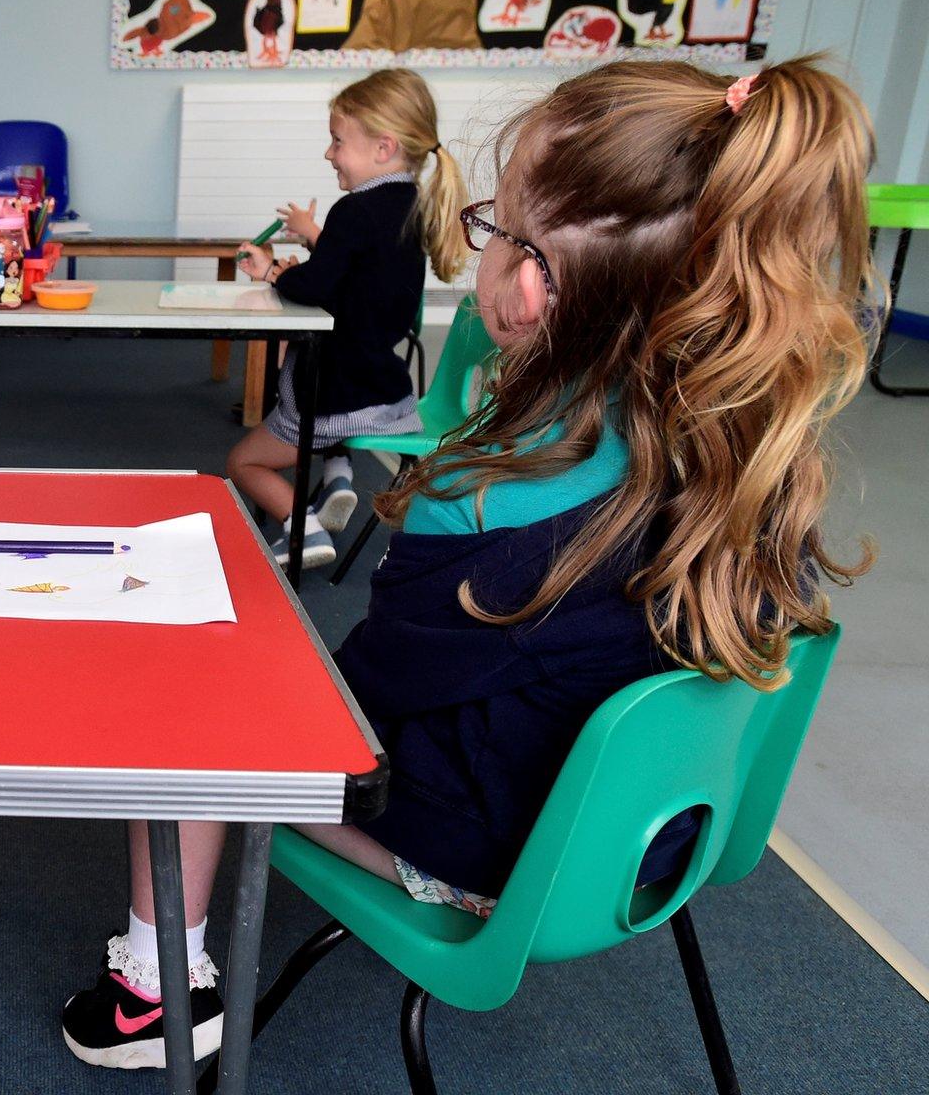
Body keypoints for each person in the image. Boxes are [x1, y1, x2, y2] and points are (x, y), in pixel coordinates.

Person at [61, 56, 876, 1071]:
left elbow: (363, 708)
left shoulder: (488, 500)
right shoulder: (750, 466)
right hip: (646, 849)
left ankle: (150, 992)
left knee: (191, 694)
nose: (480, 244)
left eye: (491, 228)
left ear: (532, 284)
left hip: (493, 860)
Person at [230, 68, 469, 570]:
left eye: (337, 142)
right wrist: (308, 262)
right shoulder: (412, 203)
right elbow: (362, 276)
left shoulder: (354, 211)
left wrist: (271, 271)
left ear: (383, 148)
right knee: (308, 409)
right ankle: (338, 475)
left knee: (244, 461)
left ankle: (305, 529)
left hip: (338, 388)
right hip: (384, 386)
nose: (329, 153)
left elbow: (317, 286)